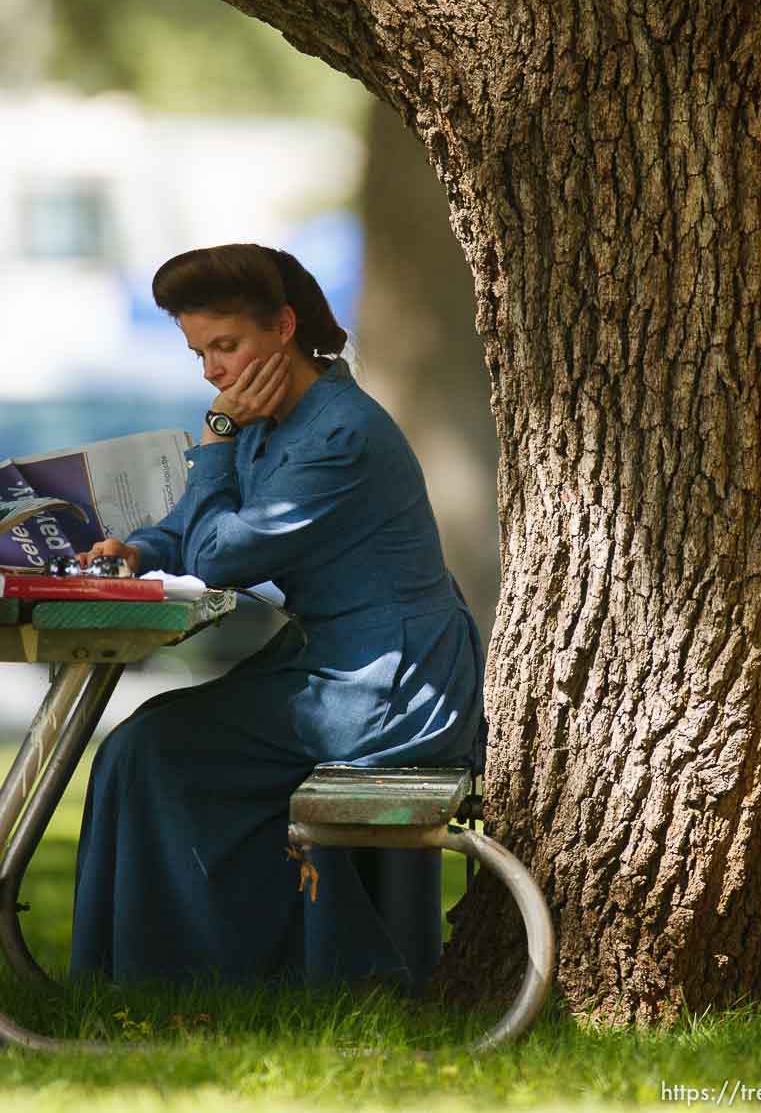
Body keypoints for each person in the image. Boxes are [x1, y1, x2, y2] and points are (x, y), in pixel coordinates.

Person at [70, 243, 485, 991]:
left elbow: (223, 554)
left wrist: (216, 442)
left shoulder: (339, 435)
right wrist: (135, 549)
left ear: (284, 326)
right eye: (199, 352)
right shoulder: (272, 420)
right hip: (336, 669)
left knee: (153, 751)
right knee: (139, 749)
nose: (211, 372)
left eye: (225, 346)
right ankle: (143, 982)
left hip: (391, 687)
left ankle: (211, 983)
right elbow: (197, 526)